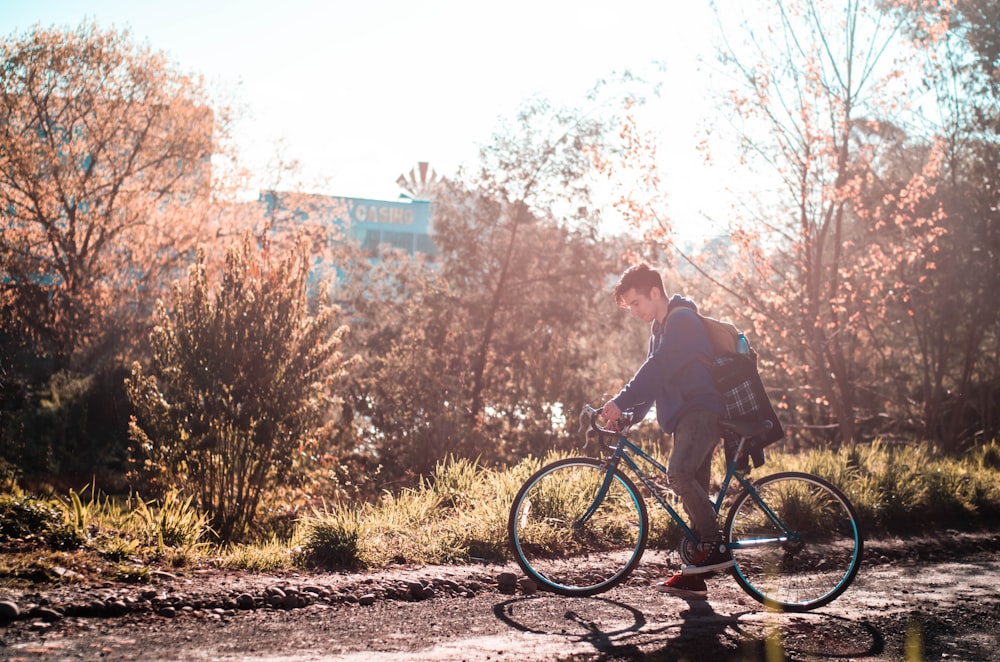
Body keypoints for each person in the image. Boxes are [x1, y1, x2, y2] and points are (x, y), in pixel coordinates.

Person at [601, 263, 732, 600]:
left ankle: (717, 549)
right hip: (687, 416)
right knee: (693, 497)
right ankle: (696, 572)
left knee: (678, 474)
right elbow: (654, 382)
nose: (634, 312)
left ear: (654, 293)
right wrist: (628, 415)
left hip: (701, 412)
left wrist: (619, 399)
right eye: (629, 306)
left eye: (635, 303)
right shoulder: (659, 329)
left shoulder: (682, 321)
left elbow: (656, 368)